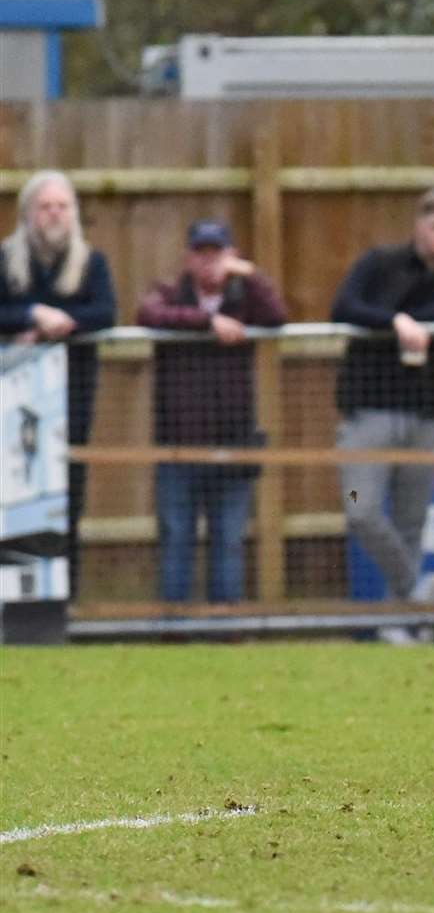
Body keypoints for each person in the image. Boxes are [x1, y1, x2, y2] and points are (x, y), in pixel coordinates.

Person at [330, 188, 434, 601]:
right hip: (369, 415)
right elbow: (343, 307)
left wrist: (410, 322)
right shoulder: (378, 265)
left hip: (426, 416)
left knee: (412, 518)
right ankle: (414, 589)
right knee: (361, 507)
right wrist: (394, 321)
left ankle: (402, 621)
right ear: (419, 226)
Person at [136, 220, 288, 603]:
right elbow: (148, 314)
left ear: (231, 256)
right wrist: (208, 322)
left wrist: (251, 275)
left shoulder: (245, 296)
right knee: (176, 537)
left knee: (228, 538)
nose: (209, 263)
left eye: (216, 253)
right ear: (188, 258)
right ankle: (174, 629)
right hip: (177, 444)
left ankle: (227, 629)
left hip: (233, 441)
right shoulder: (170, 293)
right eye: (201, 254)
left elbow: (277, 316)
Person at [0, 171, 116, 594]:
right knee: (11, 498)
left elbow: (106, 313)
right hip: (11, 405)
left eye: (62, 206)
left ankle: (67, 598)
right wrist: (31, 314)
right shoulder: (6, 261)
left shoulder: (91, 263)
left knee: (68, 498)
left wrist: (63, 324)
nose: (54, 214)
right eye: (45, 206)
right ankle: (12, 601)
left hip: (71, 401)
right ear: (28, 213)